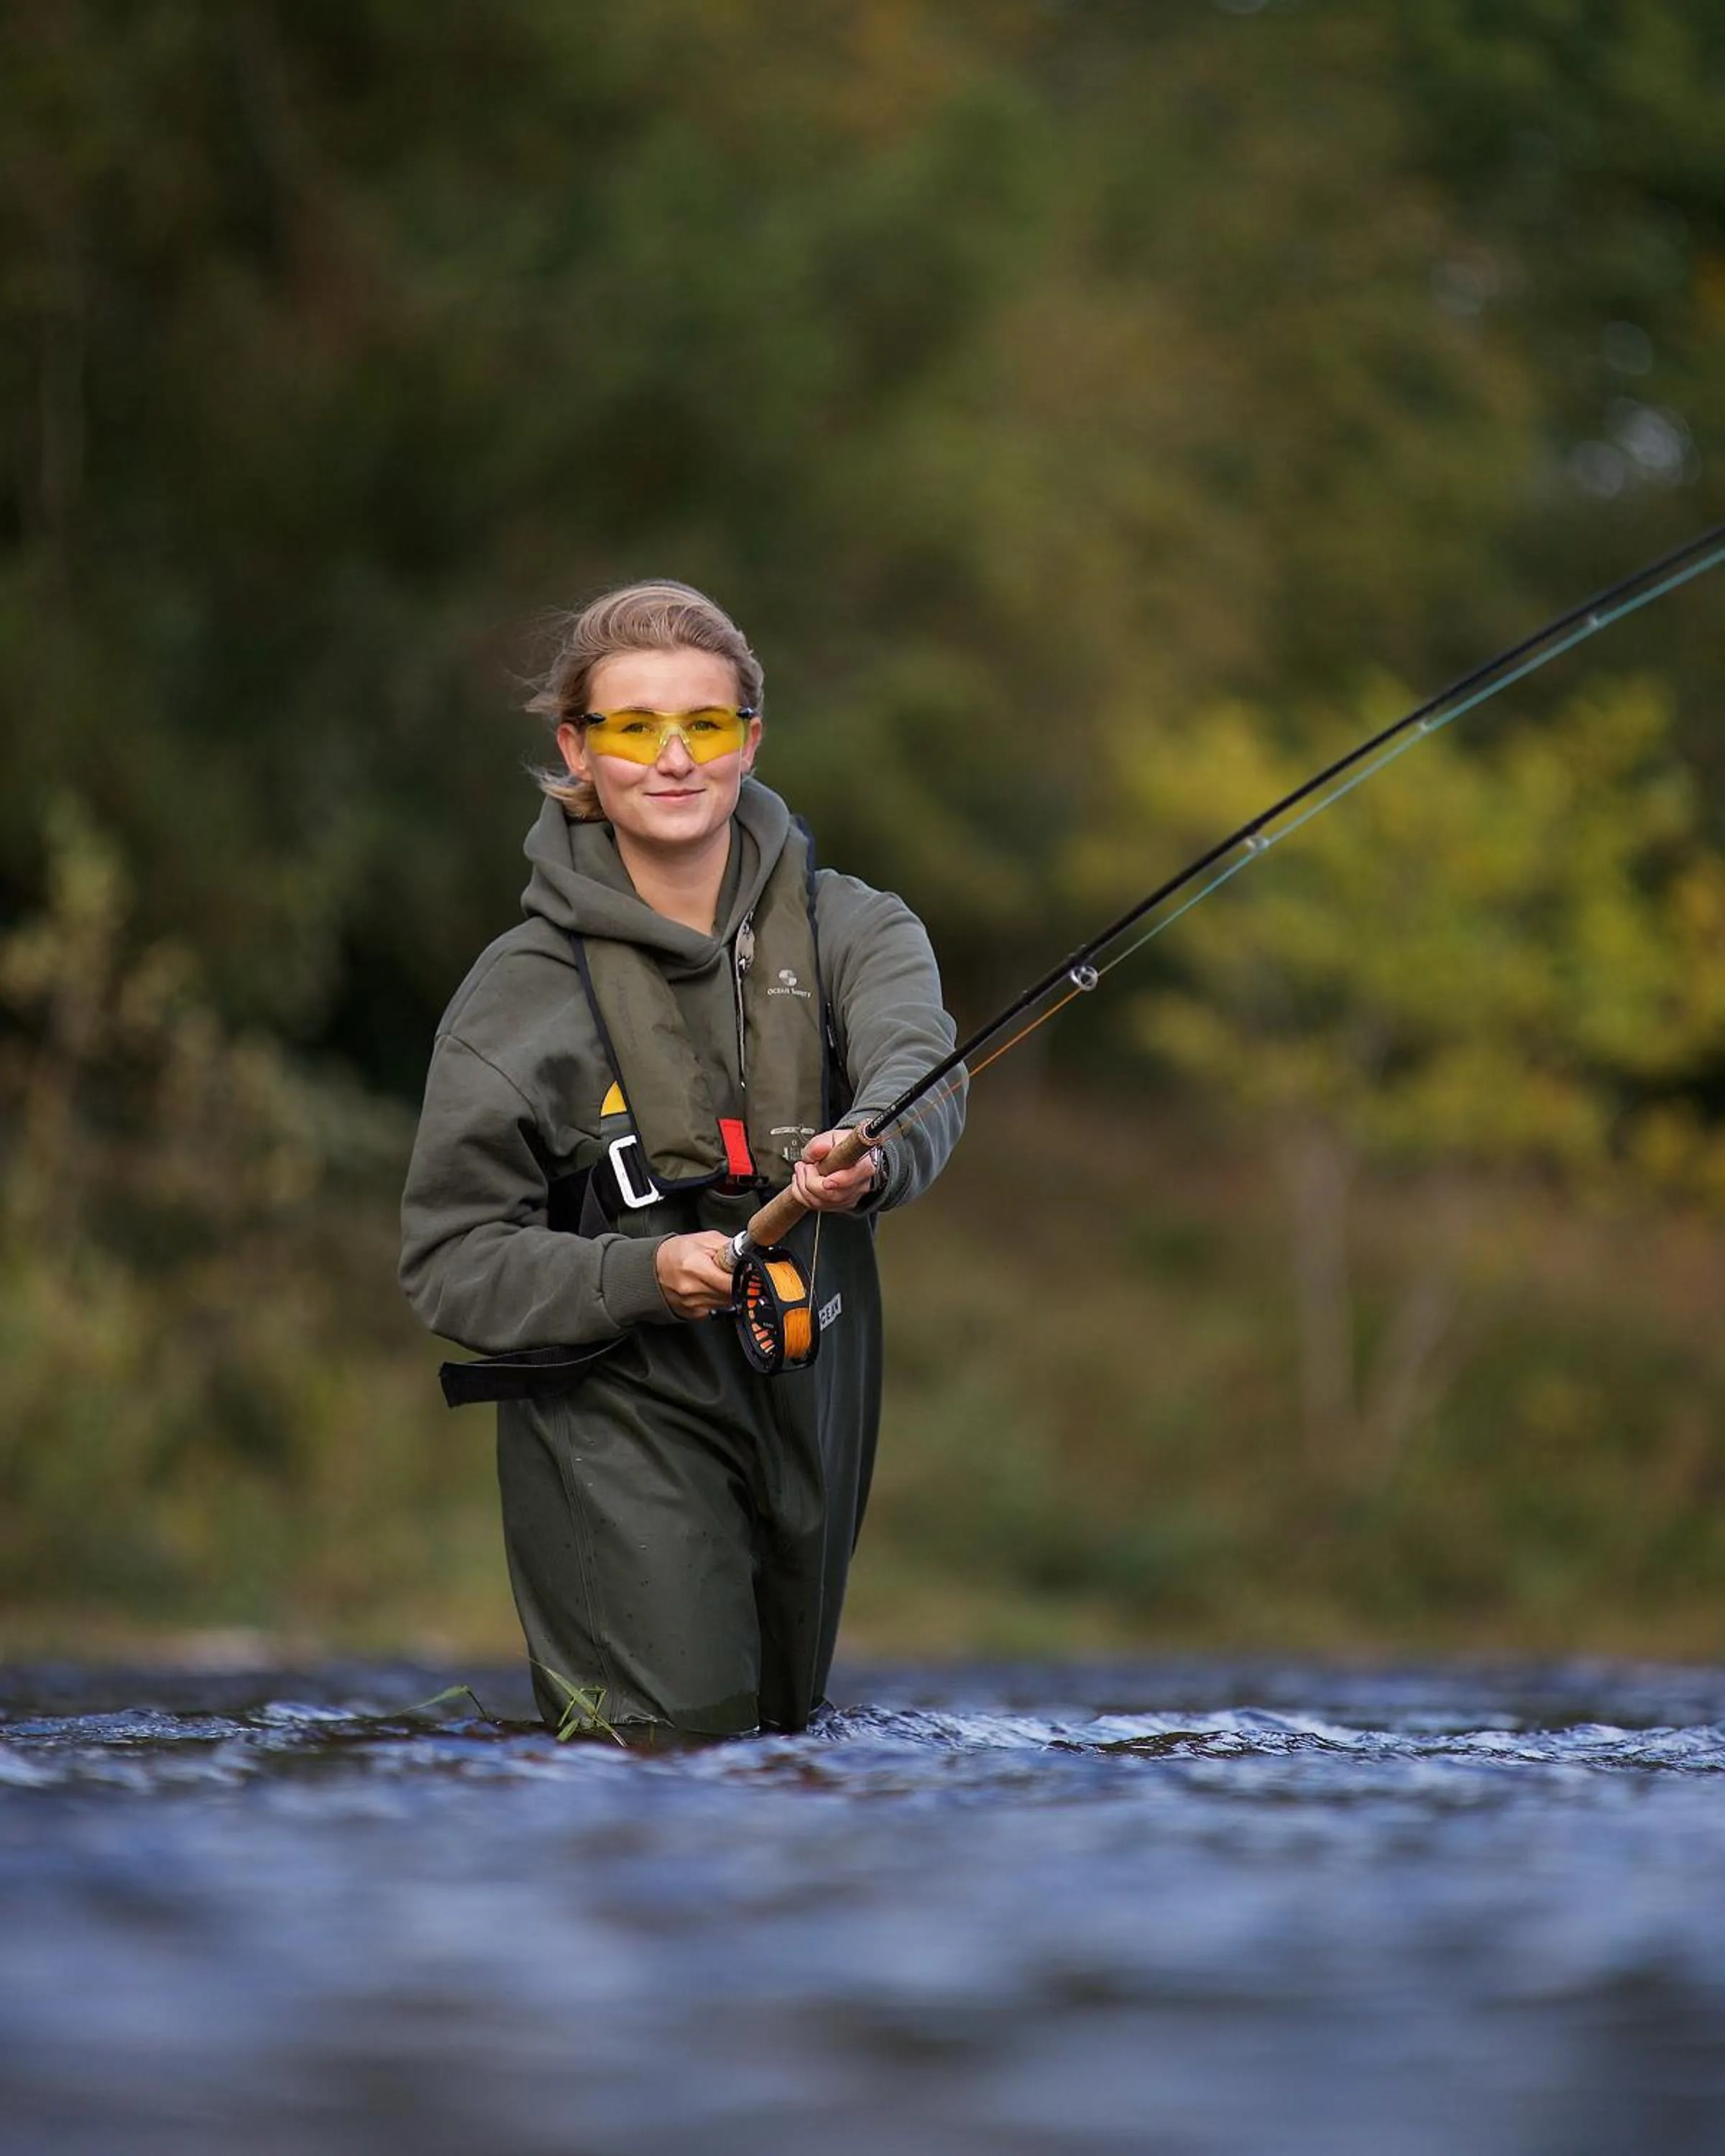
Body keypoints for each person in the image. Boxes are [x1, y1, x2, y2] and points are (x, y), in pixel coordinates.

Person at [399, 581, 965, 1741]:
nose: (673, 758)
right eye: (632, 727)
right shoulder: (515, 997)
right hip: (612, 1414)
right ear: (576, 746)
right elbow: (450, 1264)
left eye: (705, 725)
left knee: (780, 1750)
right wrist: (639, 1277)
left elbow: (922, 1060)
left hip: (814, 1388)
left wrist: (877, 1147)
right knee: (667, 1752)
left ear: (750, 740)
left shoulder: (860, 927)